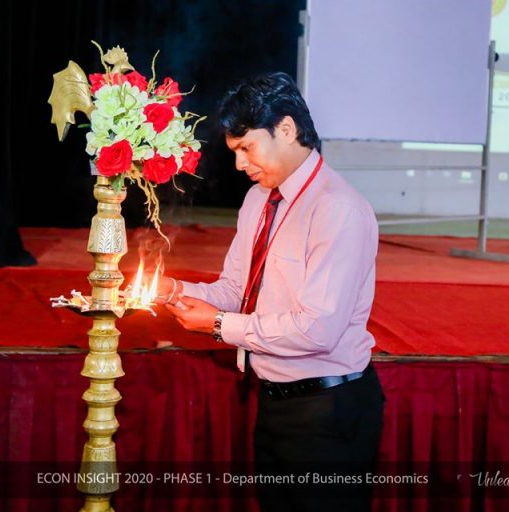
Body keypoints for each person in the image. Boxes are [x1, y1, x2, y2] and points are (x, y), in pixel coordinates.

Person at [159, 72, 384, 512]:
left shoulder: (337, 208)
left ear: (286, 128)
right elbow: (237, 289)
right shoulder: (258, 200)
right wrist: (175, 290)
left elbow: (317, 330)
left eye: (246, 148)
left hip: (328, 410)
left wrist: (218, 325)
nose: (239, 164)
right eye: (234, 151)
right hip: (274, 402)